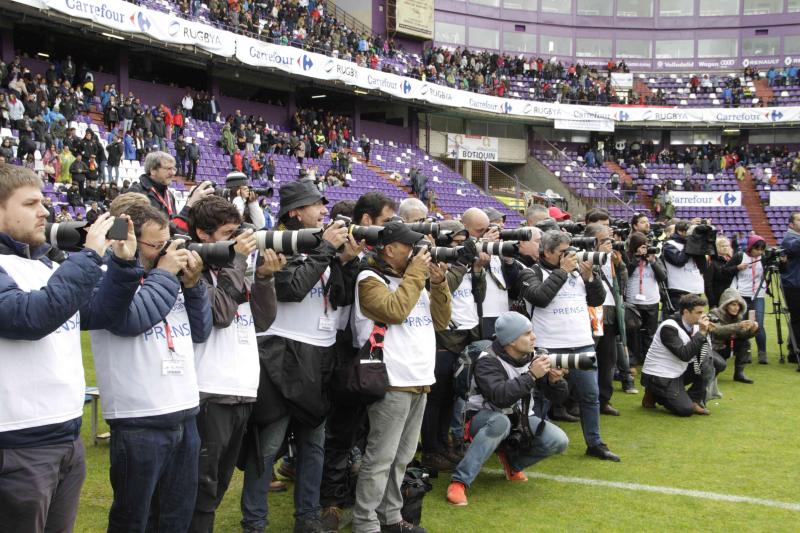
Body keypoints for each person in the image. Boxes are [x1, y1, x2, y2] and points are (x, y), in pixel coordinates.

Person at [0, 165, 138, 533]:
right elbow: (30, 317)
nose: (44, 211)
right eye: (30, 203)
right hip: (16, 446)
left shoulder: (46, 263)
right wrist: (91, 257)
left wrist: (124, 266)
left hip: (65, 438)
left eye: (44, 201)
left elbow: (100, 311)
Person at [240, 180, 361, 533]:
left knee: (314, 446)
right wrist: (326, 250)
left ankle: (307, 518)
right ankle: (254, 522)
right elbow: (290, 289)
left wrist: (346, 262)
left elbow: (338, 296)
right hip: (282, 353)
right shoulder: (280, 242)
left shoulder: (319, 246)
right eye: (316, 205)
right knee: (268, 447)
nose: (324, 211)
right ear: (295, 212)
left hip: (320, 353)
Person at [90, 197, 212, 531]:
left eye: (166, 243)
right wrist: (165, 274)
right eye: (155, 245)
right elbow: (132, 320)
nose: (163, 251)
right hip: (138, 419)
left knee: (176, 518)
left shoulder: (168, 277)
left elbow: (201, 331)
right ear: (127, 239)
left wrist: (194, 286)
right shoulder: (106, 276)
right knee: (134, 519)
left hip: (185, 412)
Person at [187, 196, 285, 532]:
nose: (235, 240)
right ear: (203, 233)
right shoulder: (193, 271)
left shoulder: (232, 268)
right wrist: (239, 260)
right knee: (201, 487)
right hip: (209, 391)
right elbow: (221, 314)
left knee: (217, 486)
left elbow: (262, 319)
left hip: (242, 390)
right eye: (228, 233)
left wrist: (265, 279)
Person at [351, 221, 451, 533]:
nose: (415, 253)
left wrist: (439, 284)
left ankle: (391, 518)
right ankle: (365, 522)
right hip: (392, 379)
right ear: (389, 249)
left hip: (420, 378)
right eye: (408, 247)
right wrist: (417, 275)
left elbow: (441, 321)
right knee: (380, 458)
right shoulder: (370, 279)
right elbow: (394, 311)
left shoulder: (412, 279)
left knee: (403, 458)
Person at [320, 191, 396, 531]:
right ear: (366, 223)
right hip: (338, 350)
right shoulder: (335, 255)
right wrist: (347, 262)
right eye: (385, 223)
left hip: (367, 350)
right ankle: (331, 502)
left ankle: (355, 497)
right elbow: (335, 298)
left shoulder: (376, 261)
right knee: (341, 430)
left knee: (366, 431)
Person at [446, 312, 569, 506]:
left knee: (558, 440)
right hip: (481, 420)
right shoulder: (487, 361)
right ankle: (459, 482)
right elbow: (501, 397)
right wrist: (531, 376)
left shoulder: (534, 356)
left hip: (520, 419)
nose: (534, 337)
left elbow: (558, 398)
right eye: (527, 333)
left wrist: (555, 381)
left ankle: (512, 463)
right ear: (511, 340)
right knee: (499, 422)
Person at [517, 230, 620, 461]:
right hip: (547, 347)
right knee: (543, 398)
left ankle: (595, 443)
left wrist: (591, 277)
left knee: (590, 397)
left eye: (570, 251)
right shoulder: (530, 272)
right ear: (547, 252)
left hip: (582, 344)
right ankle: (536, 442)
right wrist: (562, 271)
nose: (569, 256)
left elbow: (597, 301)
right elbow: (540, 298)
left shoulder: (576, 273)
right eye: (563, 252)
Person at [424, 219, 485, 471]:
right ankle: (430, 449)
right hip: (444, 335)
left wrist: (478, 271)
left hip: (465, 333)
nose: (463, 249)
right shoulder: (433, 264)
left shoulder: (465, 265)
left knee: (452, 395)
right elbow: (445, 287)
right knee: (436, 398)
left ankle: (443, 443)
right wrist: (461, 262)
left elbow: (476, 296)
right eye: (457, 244)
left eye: (465, 244)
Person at [641, 294, 714, 417]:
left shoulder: (694, 326)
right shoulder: (668, 327)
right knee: (685, 410)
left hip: (678, 370)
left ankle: (694, 400)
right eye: (699, 312)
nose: (703, 316)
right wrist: (702, 333)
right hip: (660, 375)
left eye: (703, 312)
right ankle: (654, 391)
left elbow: (719, 331)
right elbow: (684, 354)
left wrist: (740, 327)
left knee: (714, 362)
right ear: (686, 312)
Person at [129, 151, 212, 233]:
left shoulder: (169, 195)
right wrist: (189, 206)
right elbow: (151, 231)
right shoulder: (136, 193)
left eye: (174, 168)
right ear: (153, 170)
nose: (173, 173)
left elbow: (173, 226)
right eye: (168, 169)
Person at [625, 231, 667, 367]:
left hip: (651, 300)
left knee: (650, 332)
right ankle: (636, 357)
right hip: (633, 301)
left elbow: (663, 276)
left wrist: (653, 261)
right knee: (634, 331)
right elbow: (626, 273)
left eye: (646, 246)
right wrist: (636, 259)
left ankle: (648, 358)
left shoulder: (654, 257)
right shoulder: (629, 258)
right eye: (641, 246)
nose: (644, 249)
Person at [708, 288, 759, 384]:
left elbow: (742, 335)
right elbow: (717, 331)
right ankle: (710, 374)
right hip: (714, 347)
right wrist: (739, 326)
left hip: (727, 345)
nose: (737, 308)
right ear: (725, 304)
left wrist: (752, 330)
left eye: (738, 305)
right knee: (718, 366)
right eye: (733, 304)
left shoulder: (738, 316)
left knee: (745, 343)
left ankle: (739, 373)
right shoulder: (713, 314)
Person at [732, 235, 768, 364]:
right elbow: (725, 270)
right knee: (744, 324)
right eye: (757, 249)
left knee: (759, 324)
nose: (759, 252)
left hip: (758, 294)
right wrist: (737, 267)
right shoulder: (739, 256)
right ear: (750, 247)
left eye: (762, 249)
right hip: (741, 293)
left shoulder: (763, 258)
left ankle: (762, 352)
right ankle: (744, 351)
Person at [662, 221, 707, 312]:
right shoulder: (669, 244)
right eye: (690, 232)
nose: (693, 235)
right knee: (678, 319)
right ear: (680, 231)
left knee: (695, 321)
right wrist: (690, 244)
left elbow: (703, 267)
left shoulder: (693, 245)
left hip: (696, 289)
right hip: (678, 290)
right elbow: (679, 261)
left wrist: (700, 248)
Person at [781, 212, 800, 360]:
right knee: (797, 318)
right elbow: (793, 248)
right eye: (799, 220)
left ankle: (793, 348)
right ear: (791, 224)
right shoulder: (789, 238)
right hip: (793, 284)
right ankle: (795, 351)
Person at [705, 236, 738, 309]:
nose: (725, 248)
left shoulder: (731, 260)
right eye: (722, 246)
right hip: (717, 295)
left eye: (727, 246)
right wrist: (712, 300)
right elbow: (708, 283)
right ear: (717, 247)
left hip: (731, 293)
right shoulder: (712, 261)